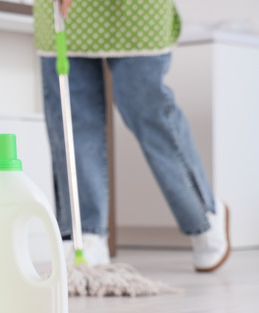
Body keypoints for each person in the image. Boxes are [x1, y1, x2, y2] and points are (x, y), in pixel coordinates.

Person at [33, 0, 230, 272]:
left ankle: (203, 215)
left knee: (146, 110)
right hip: (64, 12)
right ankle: (86, 234)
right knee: (72, 116)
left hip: (134, 9)